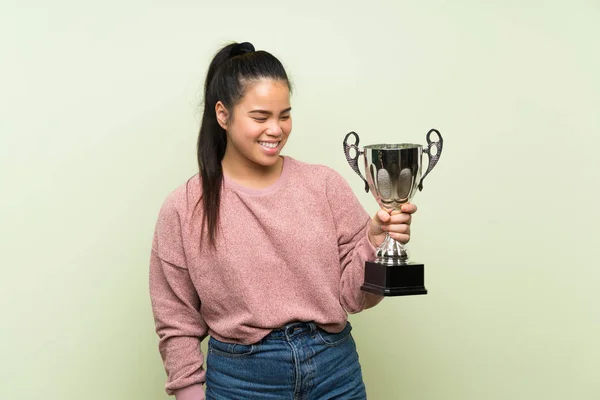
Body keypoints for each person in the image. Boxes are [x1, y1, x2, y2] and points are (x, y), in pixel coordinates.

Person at [149, 41, 417, 400]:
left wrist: (375, 238)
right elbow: (176, 321)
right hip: (242, 381)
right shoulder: (184, 207)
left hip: (334, 369)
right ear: (223, 114)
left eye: (284, 115)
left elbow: (355, 298)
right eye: (260, 117)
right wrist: (189, 394)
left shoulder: (323, 185)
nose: (275, 129)